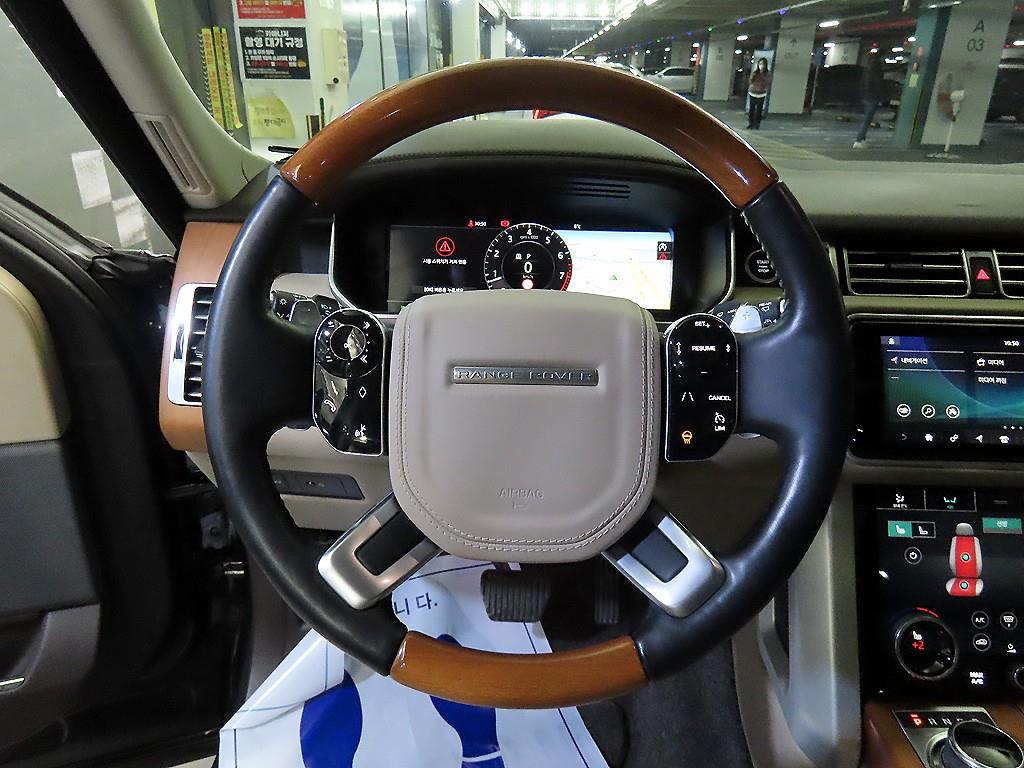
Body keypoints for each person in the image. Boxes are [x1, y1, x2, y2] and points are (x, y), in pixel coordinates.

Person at [854, 55, 886, 148]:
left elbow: (862, 83)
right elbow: (879, 84)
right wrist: (882, 97)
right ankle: (859, 140)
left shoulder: (867, 70)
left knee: (866, 119)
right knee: (867, 120)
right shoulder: (877, 71)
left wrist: (862, 95)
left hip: (866, 96)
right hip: (873, 97)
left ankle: (862, 139)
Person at [747, 58, 772, 129]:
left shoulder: (767, 74)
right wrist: (753, 76)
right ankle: (750, 123)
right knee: (751, 109)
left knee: (759, 110)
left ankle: (757, 124)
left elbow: (768, 82)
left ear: (765, 65)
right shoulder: (755, 72)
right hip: (753, 92)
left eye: (763, 64)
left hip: (761, 94)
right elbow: (750, 81)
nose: (761, 65)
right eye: (760, 64)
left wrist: (762, 75)